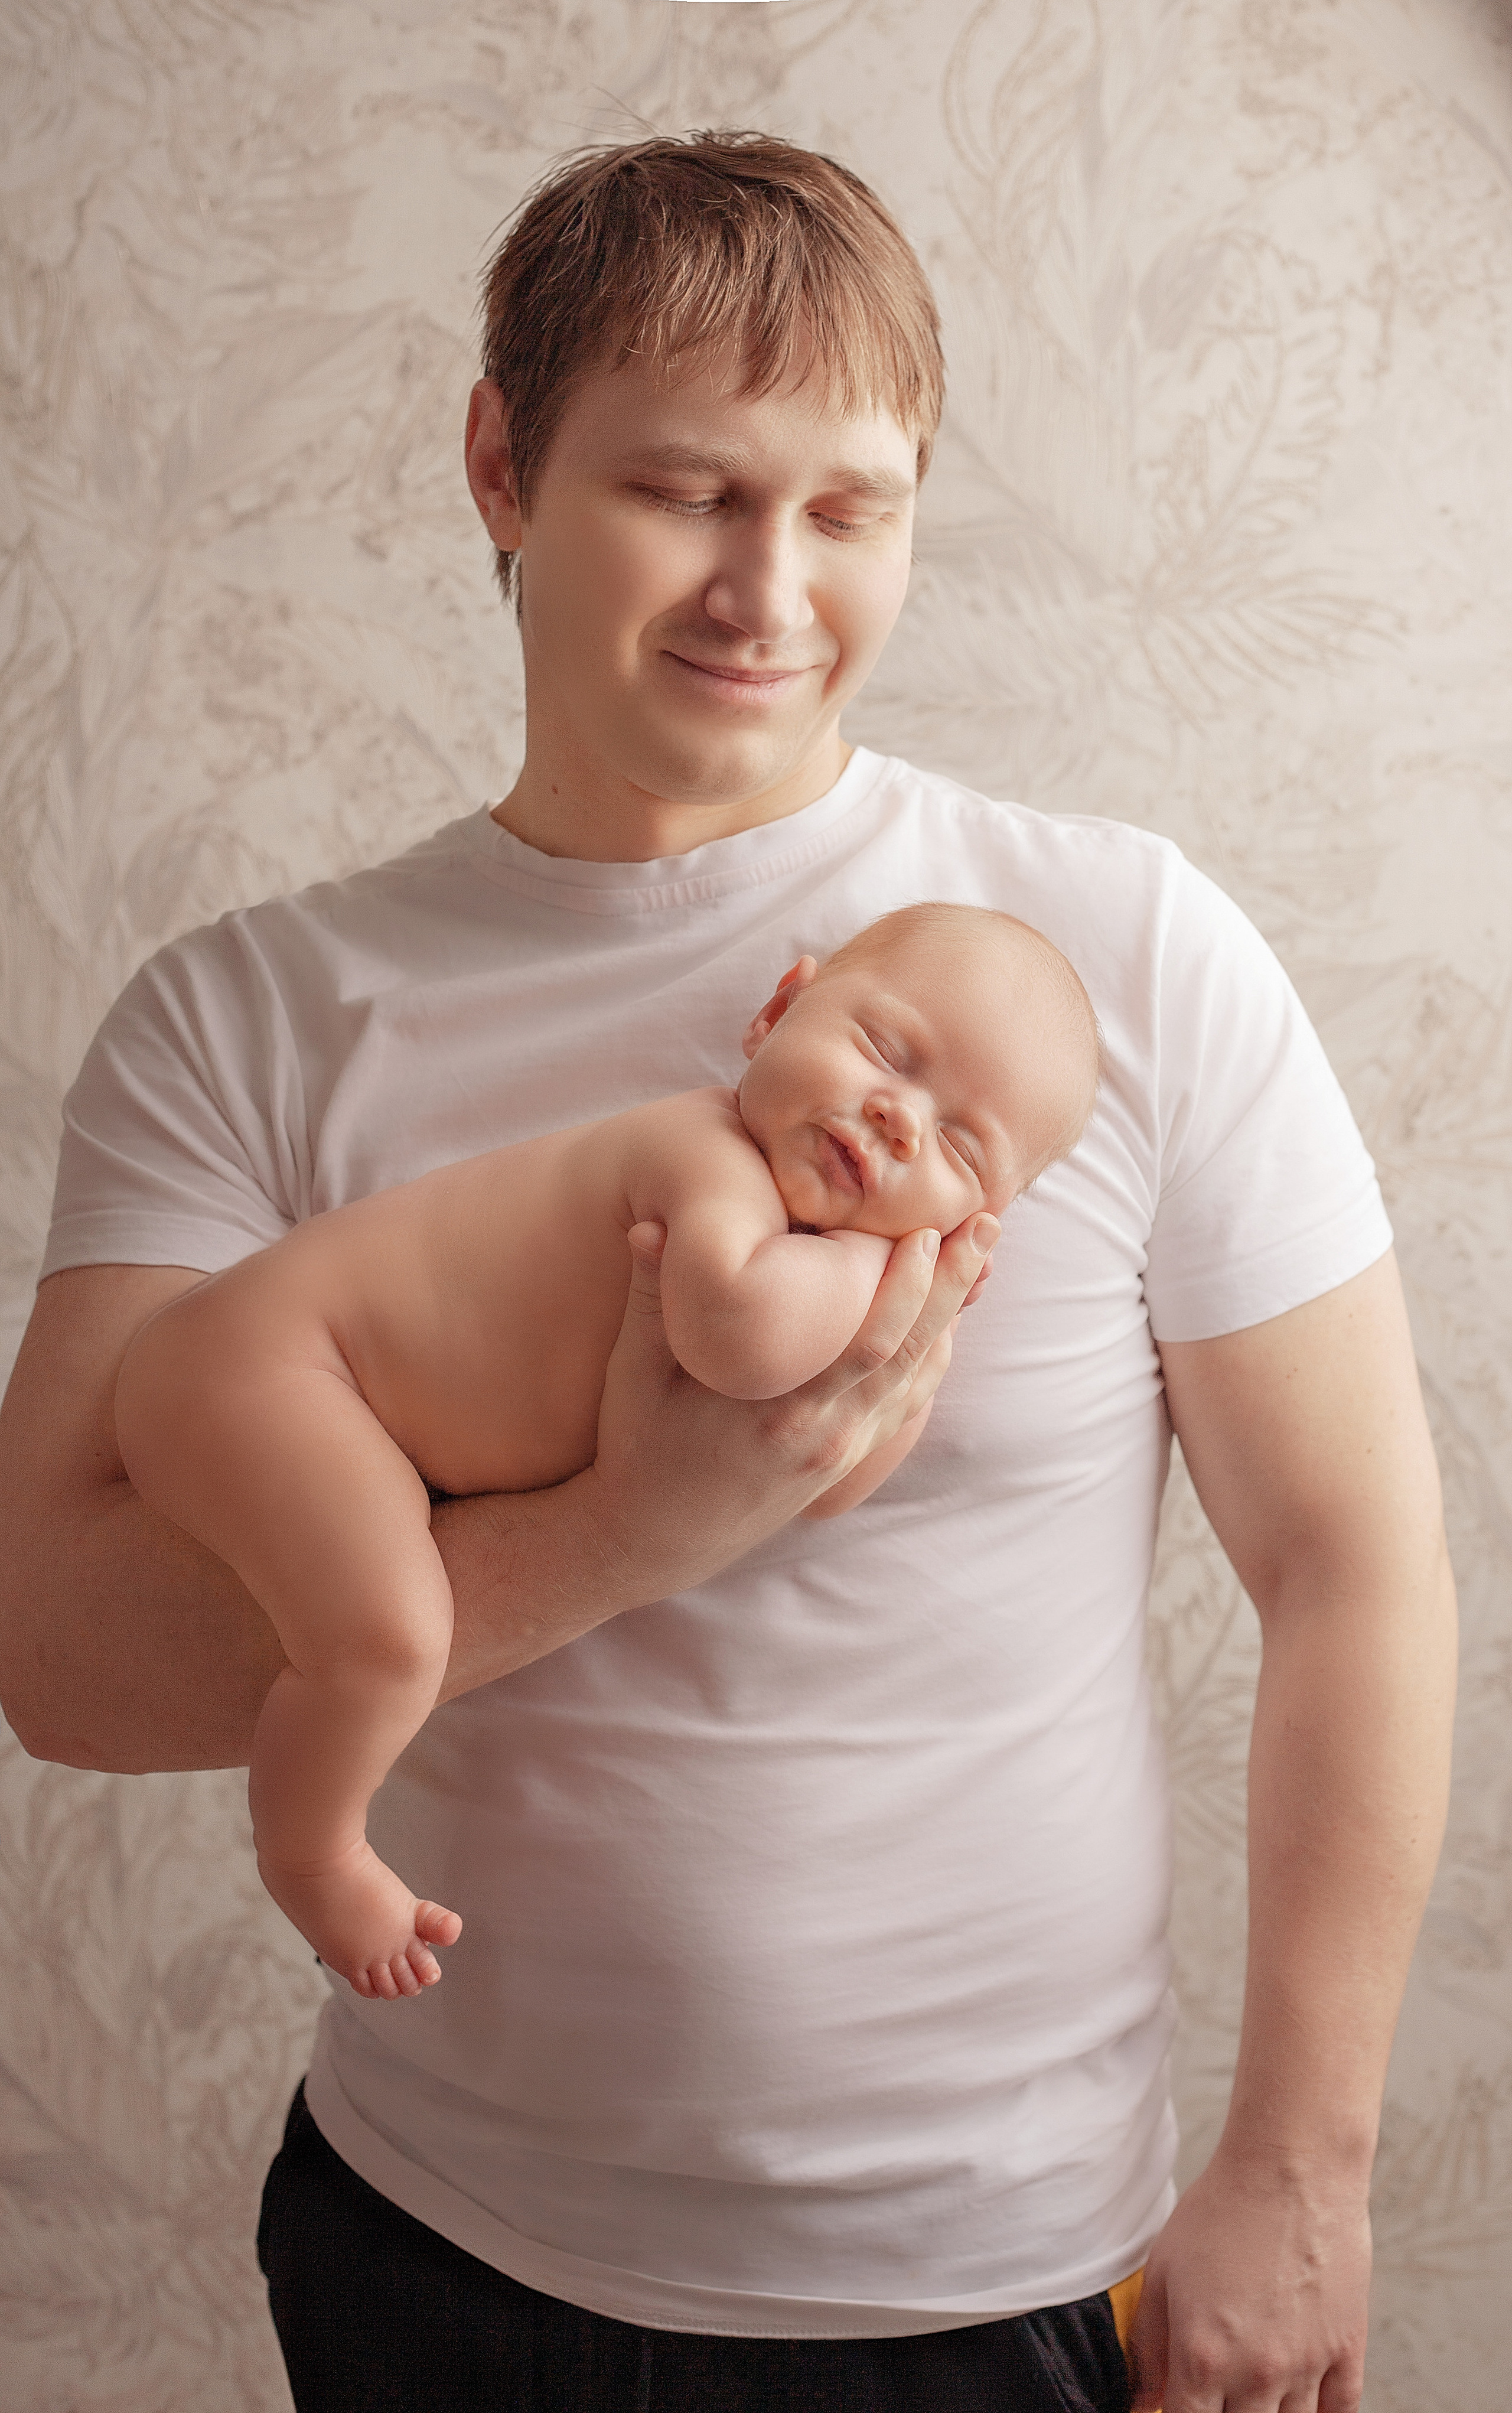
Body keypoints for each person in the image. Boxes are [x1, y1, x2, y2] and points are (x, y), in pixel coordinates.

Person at [0, 131, 1455, 2413]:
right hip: (443, 2249)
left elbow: (1356, 1561)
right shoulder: (252, 1020)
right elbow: (64, 1656)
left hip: (998, 2283)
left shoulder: (1110, 962)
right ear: (503, 460)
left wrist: (1305, 2162)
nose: (769, 589)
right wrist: (619, 1534)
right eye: (687, 489)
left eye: (850, 508)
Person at [113, 903, 1100, 2005]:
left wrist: (913, 1348)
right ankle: (314, 1853)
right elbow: (737, 1335)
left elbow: (823, 1482)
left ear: (982, 1217)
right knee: (393, 1634)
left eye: (961, 1146)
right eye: (884, 1050)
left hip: (330, 1408)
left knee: (391, 1617)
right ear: (779, 1008)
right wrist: (888, 1277)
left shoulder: (801, 1252)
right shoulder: (705, 1153)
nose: (899, 1117)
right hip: (272, 1367)